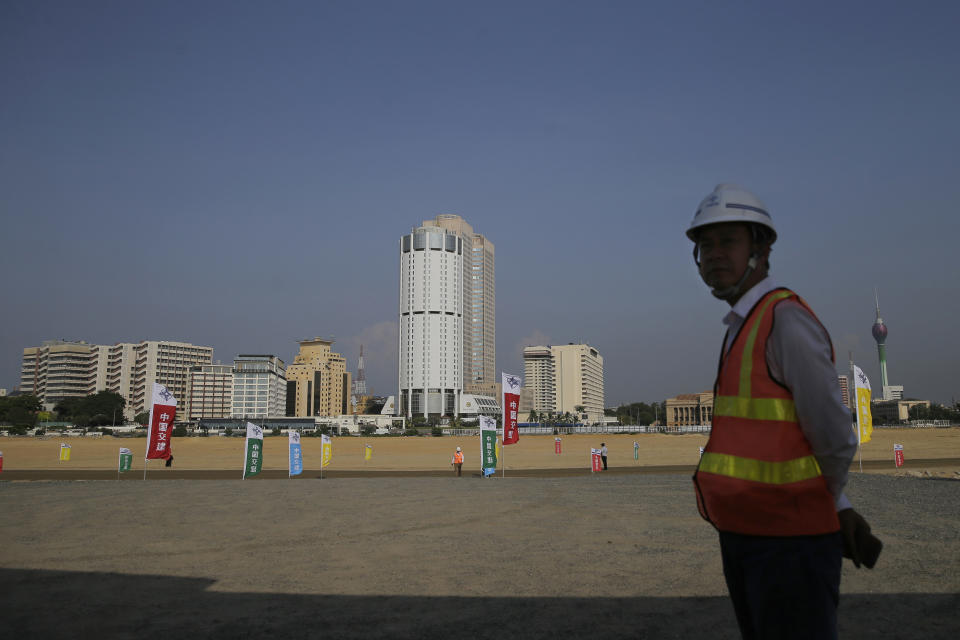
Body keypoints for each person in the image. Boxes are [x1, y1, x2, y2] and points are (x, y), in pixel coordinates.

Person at [687, 184, 880, 640]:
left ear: (761, 247)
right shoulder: (742, 325)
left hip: (789, 544)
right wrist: (839, 504)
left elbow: (833, 437)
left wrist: (828, 504)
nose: (713, 254)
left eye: (727, 241)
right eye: (704, 245)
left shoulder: (785, 322)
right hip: (747, 536)